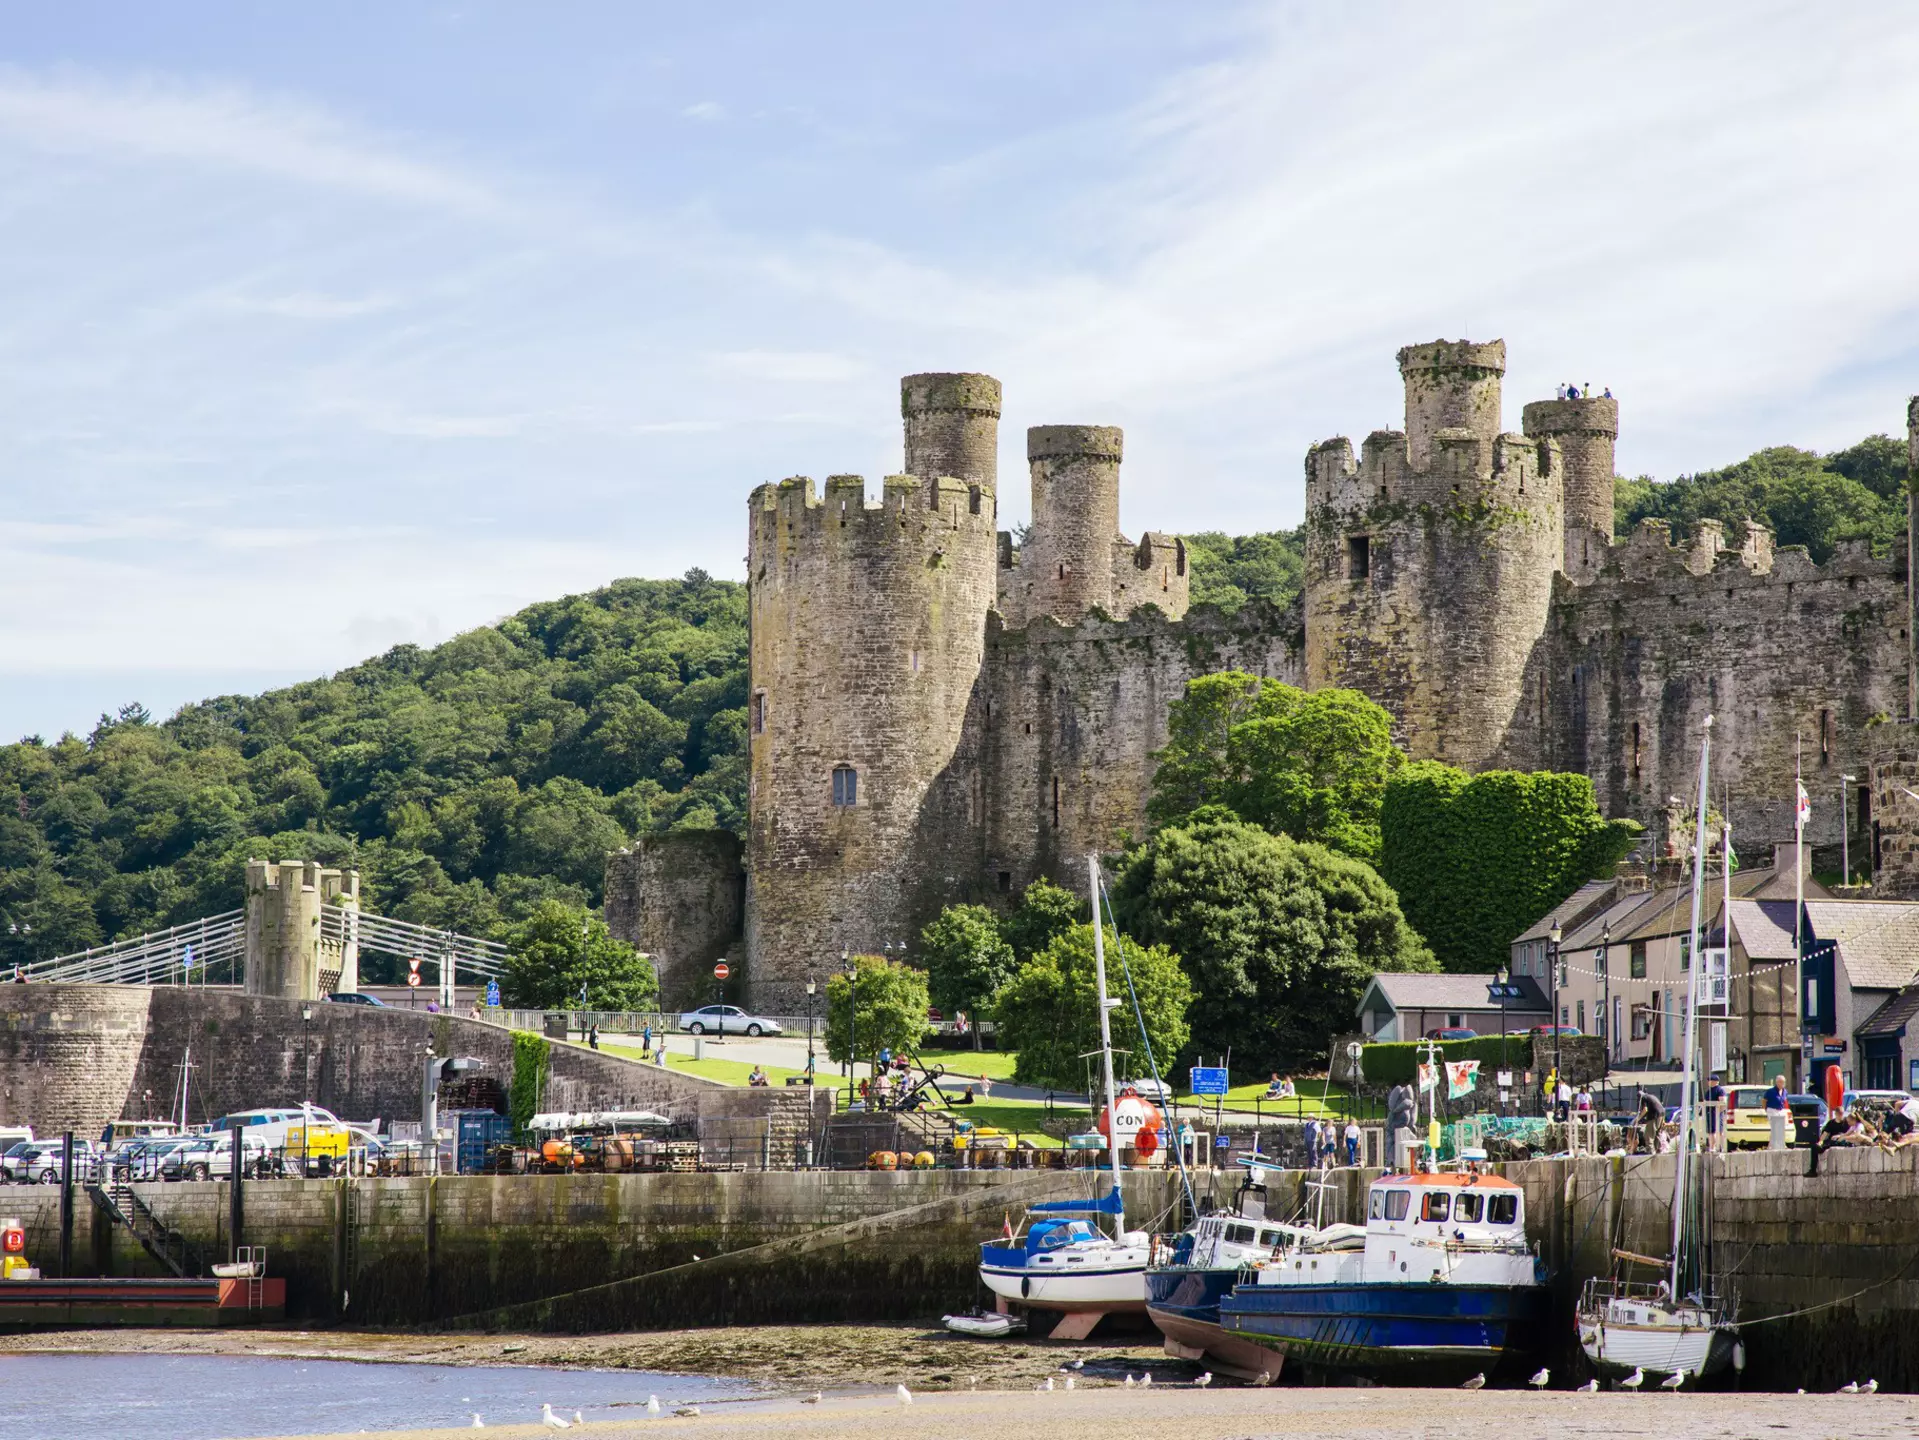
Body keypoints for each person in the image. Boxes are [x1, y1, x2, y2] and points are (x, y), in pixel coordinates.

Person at [1386, 1082, 1417, 1171]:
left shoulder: (1411, 1104)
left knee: (1413, 1139)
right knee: (1391, 1144)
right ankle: (1391, 1162)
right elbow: (1393, 1110)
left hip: (1404, 1129)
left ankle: (1410, 1161)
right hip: (1394, 1129)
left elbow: (1412, 1118)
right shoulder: (1399, 1102)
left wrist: (1412, 1125)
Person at [1765, 1074, 1790, 1151]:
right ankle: (1770, 1146)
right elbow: (1764, 1101)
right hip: (1772, 1110)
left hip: (1781, 1110)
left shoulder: (1785, 1091)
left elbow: (1784, 1101)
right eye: (1780, 1082)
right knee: (1774, 1127)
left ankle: (1779, 1144)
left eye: (1783, 1082)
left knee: (1782, 1127)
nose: (1782, 1084)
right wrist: (1765, 1109)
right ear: (1777, 1082)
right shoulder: (1770, 1091)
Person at [1704, 1073, 1727, 1153]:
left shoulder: (1720, 1090)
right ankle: (1712, 1147)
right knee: (1711, 1131)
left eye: (1710, 1080)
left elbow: (1723, 1103)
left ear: (1714, 1081)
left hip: (1716, 1113)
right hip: (1709, 1113)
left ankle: (1720, 1146)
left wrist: (1718, 1112)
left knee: (1719, 1130)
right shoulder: (1708, 1091)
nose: (1708, 1082)